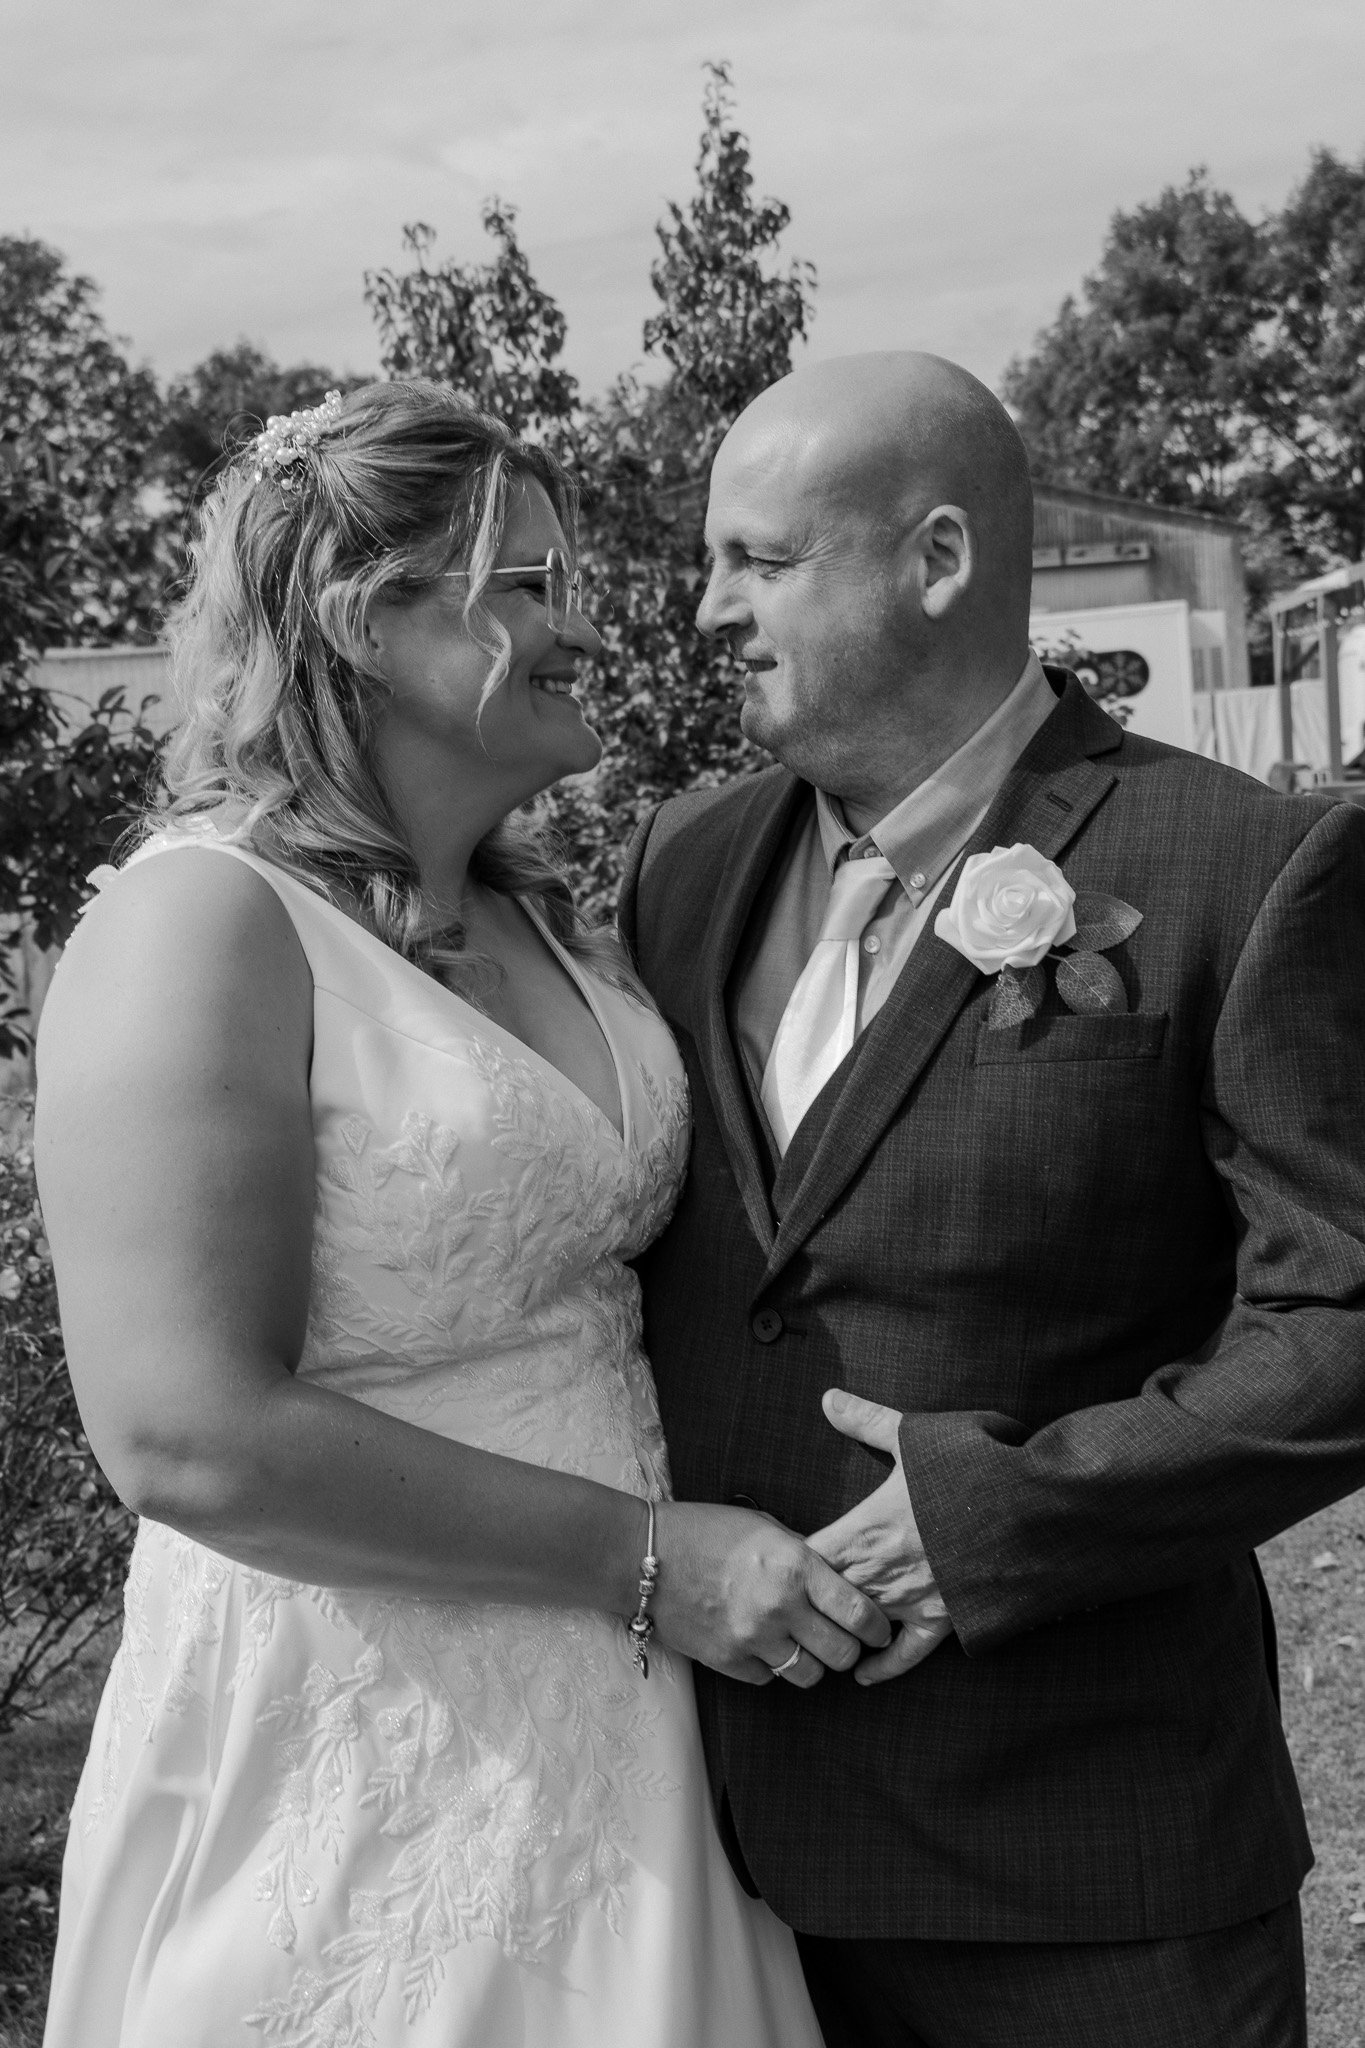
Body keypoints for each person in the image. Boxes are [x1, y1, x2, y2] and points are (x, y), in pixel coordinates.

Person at [34, 381, 881, 2047]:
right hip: (360, 1714)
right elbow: (183, 1435)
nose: (586, 626)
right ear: (367, 615)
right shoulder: (203, 922)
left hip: (632, 1718)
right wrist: (646, 1560)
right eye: (530, 585)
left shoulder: (549, 918)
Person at [620, 351, 1365, 2048]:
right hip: (698, 1859)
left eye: (759, 559)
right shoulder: (682, 862)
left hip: (1078, 1862)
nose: (707, 608)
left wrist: (998, 1517)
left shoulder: (1242, 869)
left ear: (937, 560)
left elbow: (1340, 1319)